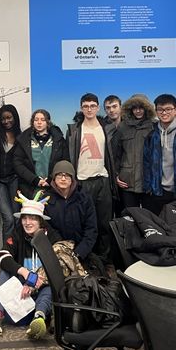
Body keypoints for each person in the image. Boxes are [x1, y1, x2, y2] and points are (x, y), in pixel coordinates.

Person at [0, 194, 60, 339]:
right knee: (5, 271)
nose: (27, 222)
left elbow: (58, 268)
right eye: (24, 218)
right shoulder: (17, 233)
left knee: (50, 286)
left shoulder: (53, 238)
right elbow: (2, 256)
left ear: (40, 221)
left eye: (32, 218)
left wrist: (33, 282)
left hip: (41, 288)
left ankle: (39, 318)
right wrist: (24, 272)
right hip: (21, 294)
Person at [65, 93, 117, 261]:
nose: (89, 109)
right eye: (86, 106)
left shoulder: (106, 128)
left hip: (102, 179)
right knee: (84, 223)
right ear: (81, 108)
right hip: (82, 181)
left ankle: (104, 260)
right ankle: (86, 259)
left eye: (92, 106)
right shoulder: (74, 130)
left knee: (104, 223)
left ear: (98, 108)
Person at [44, 160, 98, 263]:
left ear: (72, 179)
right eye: (59, 175)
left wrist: (79, 253)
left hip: (82, 253)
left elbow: (91, 229)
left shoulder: (84, 198)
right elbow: (47, 229)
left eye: (67, 176)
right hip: (56, 252)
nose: (63, 179)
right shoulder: (46, 200)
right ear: (54, 178)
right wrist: (63, 250)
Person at [112, 94, 156, 211]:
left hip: (149, 182)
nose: (138, 111)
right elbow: (116, 154)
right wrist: (116, 175)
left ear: (147, 109)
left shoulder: (154, 126)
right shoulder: (122, 127)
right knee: (130, 216)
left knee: (149, 217)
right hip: (128, 182)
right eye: (134, 108)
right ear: (130, 109)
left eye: (141, 108)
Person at [13, 109, 69, 200]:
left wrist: (51, 179)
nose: (39, 122)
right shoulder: (23, 140)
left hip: (54, 186)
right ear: (32, 122)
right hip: (30, 187)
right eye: (36, 120)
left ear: (48, 122)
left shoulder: (59, 140)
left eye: (43, 120)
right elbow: (17, 163)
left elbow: (64, 162)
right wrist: (34, 179)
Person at [0, 104, 21, 245]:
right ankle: (7, 252)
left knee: (17, 217)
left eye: (9, 117)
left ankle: (18, 251)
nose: (6, 121)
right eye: (3, 118)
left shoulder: (21, 136)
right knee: (8, 218)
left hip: (14, 179)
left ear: (14, 117)